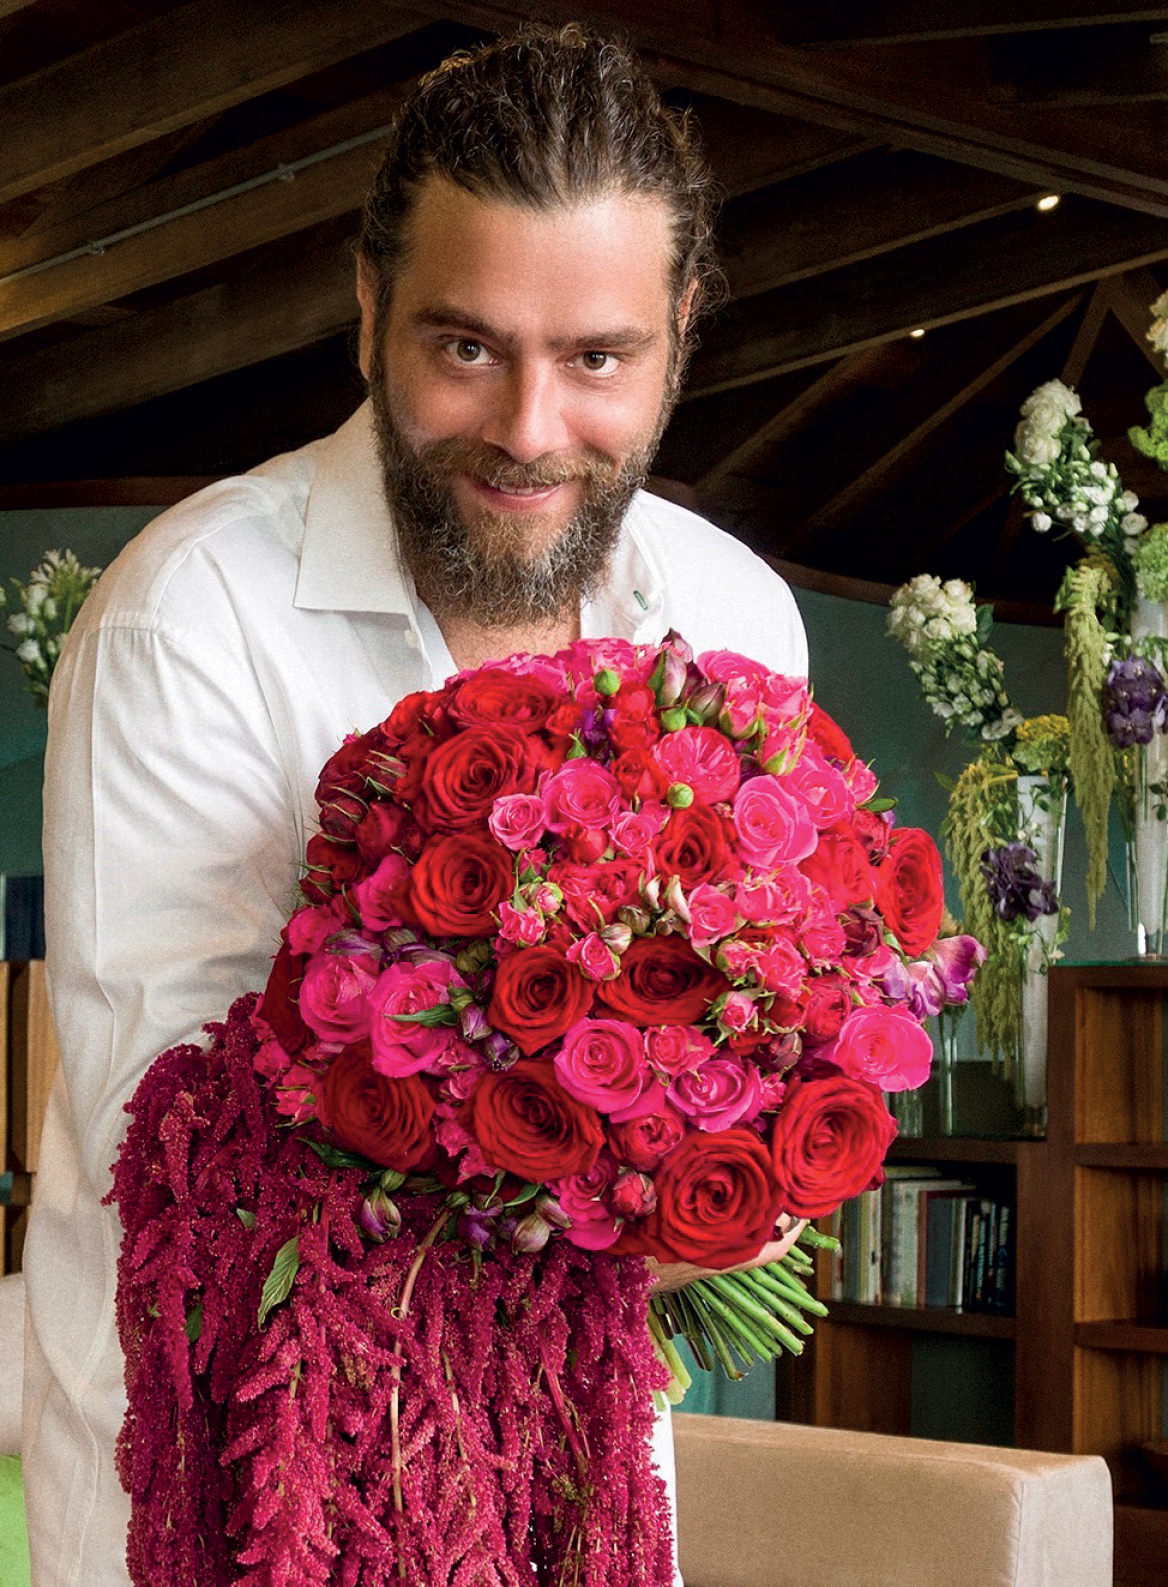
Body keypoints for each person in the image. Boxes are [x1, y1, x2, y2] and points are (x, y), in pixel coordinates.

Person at [22, 23, 808, 1587]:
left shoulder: (734, 617)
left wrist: (750, 1163)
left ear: (681, 331)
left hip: (581, 1493)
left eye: (597, 358)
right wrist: (607, 1186)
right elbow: (173, 1150)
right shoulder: (191, 616)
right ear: (370, 304)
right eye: (466, 346)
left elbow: (777, 1015)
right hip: (233, 1493)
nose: (528, 428)